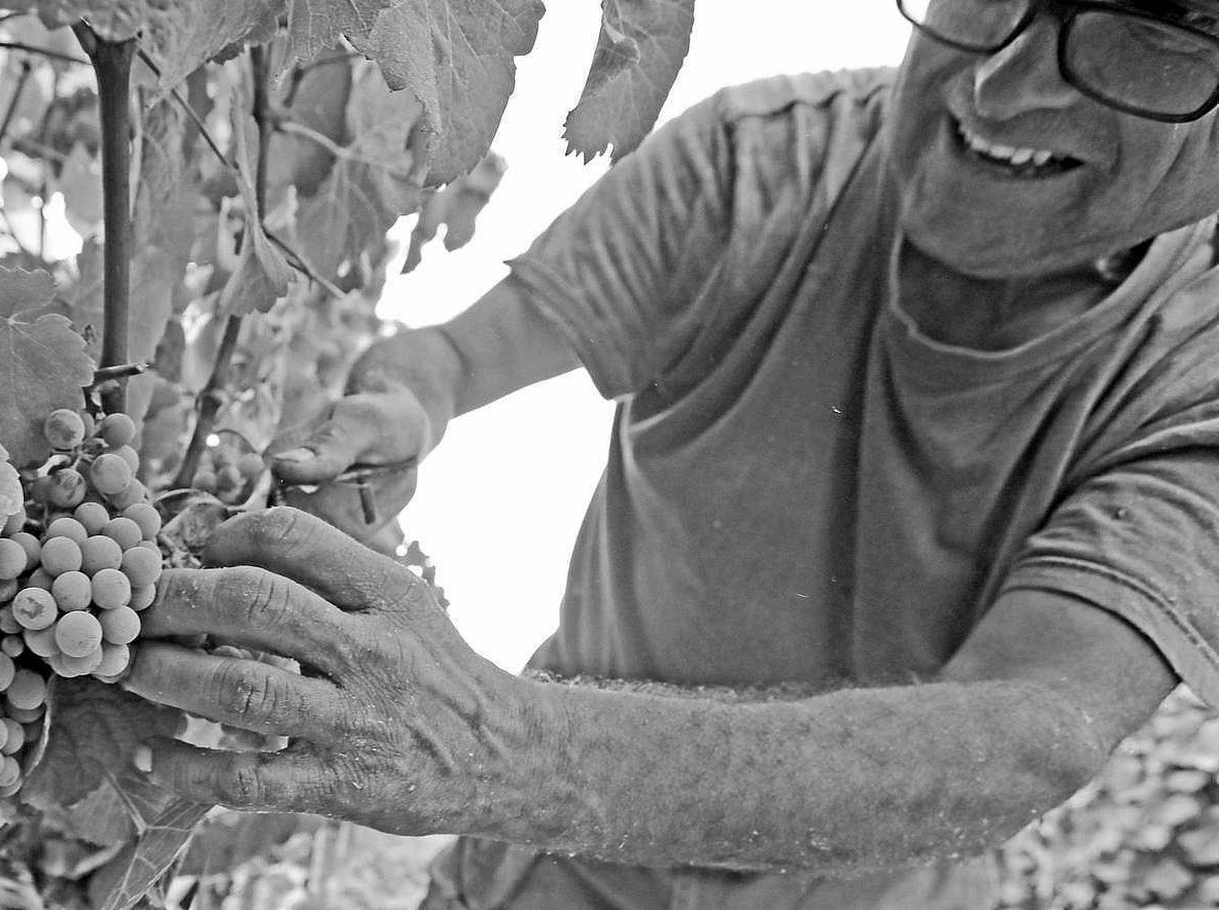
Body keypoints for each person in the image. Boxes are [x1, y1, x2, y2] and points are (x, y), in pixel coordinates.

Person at [119, 0, 1219, 906]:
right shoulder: (767, 162)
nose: (998, 85)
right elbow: (452, 359)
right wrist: (401, 403)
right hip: (545, 879)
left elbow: (1033, 728)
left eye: (1151, 33)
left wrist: (504, 748)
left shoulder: (1195, 370)